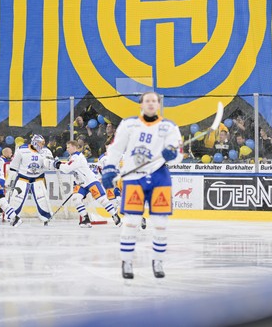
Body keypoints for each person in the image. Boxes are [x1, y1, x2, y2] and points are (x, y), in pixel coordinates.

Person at [102, 91, 183, 279]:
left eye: (154, 101)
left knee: (161, 224)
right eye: (147, 101)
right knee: (131, 222)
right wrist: (109, 168)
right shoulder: (129, 124)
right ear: (141, 104)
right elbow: (116, 149)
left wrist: (173, 155)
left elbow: (178, 154)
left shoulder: (168, 127)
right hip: (133, 178)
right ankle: (127, 262)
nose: (151, 104)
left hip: (159, 177)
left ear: (159, 104)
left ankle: (158, 261)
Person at [55, 139, 121, 227]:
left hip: (91, 181)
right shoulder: (72, 157)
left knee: (102, 200)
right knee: (76, 198)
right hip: (82, 184)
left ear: (74, 147)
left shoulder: (77, 157)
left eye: (68, 147)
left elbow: (67, 168)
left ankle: (115, 215)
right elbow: (71, 168)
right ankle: (86, 219)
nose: (67, 149)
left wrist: (57, 165)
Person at [7, 134, 55, 225]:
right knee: (16, 199)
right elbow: (13, 166)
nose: (42, 145)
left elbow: (50, 165)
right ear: (34, 142)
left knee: (43, 199)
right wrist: (9, 180)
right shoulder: (22, 149)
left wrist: (52, 164)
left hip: (38, 179)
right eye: (40, 143)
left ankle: (46, 218)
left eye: (43, 143)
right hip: (23, 178)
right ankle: (12, 217)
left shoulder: (46, 151)